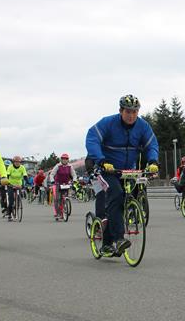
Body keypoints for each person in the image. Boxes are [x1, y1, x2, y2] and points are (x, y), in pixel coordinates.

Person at [85, 94, 159, 255]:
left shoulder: (143, 126)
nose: (131, 115)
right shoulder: (108, 123)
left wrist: (153, 161)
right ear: (120, 111)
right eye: (128, 111)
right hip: (107, 170)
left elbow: (151, 144)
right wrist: (102, 160)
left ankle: (107, 243)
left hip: (128, 171)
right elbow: (92, 138)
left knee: (123, 201)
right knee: (116, 195)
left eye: (135, 112)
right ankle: (119, 239)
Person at [49, 153, 78, 221]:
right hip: (57, 183)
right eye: (63, 159)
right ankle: (58, 214)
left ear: (68, 160)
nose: (64, 160)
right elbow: (52, 174)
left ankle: (64, 209)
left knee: (64, 197)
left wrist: (74, 180)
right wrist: (52, 180)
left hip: (66, 184)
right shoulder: (58, 166)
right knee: (57, 199)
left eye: (66, 159)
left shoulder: (70, 166)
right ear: (61, 159)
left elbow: (74, 175)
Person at [5, 155, 28, 221]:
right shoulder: (10, 167)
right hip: (11, 184)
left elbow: (25, 176)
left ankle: (17, 206)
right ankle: (9, 214)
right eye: (16, 162)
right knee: (11, 200)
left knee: (18, 198)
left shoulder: (22, 167)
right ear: (13, 162)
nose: (17, 163)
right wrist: (7, 182)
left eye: (19, 162)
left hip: (18, 184)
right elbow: (7, 175)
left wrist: (27, 182)